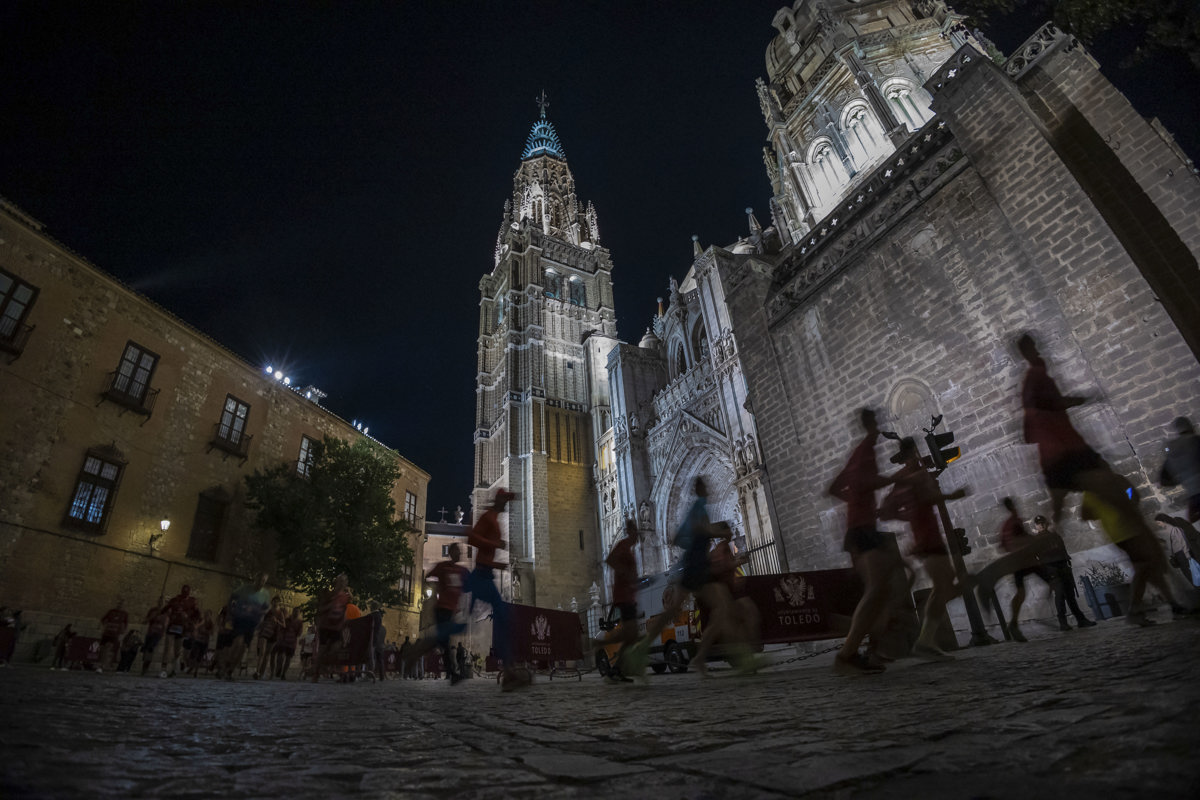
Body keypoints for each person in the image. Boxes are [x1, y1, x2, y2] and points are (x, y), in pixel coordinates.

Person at [1017, 333, 1147, 534]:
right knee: (1105, 474)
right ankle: (1129, 514)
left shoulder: (1033, 381)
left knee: (1059, 505)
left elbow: (1029, 431)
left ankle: (1053, 534)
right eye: (1033, 347)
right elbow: (1053, 404)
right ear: (1027, 351)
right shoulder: (1036, 377)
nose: (1038, 350)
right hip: (1068, 448)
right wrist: (1080, 400)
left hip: (1053, 455)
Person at [626, 478, 751, 679]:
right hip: (695, 567)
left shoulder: (700, 507)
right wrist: (716, 531)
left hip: (697, 566)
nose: (708, 489)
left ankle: (648, 649)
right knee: (720, 608)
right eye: (704, 487)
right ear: (700, 489)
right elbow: (697, 528)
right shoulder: (698, 506)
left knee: (713, 609)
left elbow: (679, 537)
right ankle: (738, 657)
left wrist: (710, 533)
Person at [881, 437, 967, 660]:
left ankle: (926, 640)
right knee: (944, 585)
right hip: (925, 536)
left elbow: (888, 509)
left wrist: (908, 515)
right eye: (915, 450)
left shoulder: (909, 475)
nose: (918, 454)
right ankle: (924, 640)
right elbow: (918, 500)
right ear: (911, 452)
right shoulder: (911, 476)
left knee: (943, 585)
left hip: (928, 534)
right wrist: (950, 496)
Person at [827, 408, 896, 675]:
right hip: (862, 528)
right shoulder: (866, 448)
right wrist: (895, 478)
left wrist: (858, 504)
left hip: (861, 526)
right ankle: (848, 652)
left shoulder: (858, 452)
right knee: (878, 589)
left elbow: (835, 487)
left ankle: (868, 649)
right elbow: (865, 481)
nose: (879, 426)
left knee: (882, 589)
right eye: (876, 422)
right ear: (870, 423)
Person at [1082, 484, 1192, 624]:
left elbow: (1130, 494)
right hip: (1125, 533)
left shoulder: (1101, 485)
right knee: (1144, 567)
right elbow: (1088, 513)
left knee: (1151, 568)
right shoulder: (1096, 487)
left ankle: (1172, 605)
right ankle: (1136, 609)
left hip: (1129, 531)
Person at [466, 489, 525, 690]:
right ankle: (509, 671)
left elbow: (485, 555)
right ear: (498, 501)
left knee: (503, 617)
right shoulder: (488, 517)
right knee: (503, 616)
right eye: (504, 501)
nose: (506, 506)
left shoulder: (495, 516)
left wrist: (499, 565)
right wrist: (495, 543)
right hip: (481, 577)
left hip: (485, 574)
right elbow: (472, 538)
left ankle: (510, 670)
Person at [406, 543, 470, 684]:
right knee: (443, 641)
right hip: (442, 609)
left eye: (460, 551)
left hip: (450, 612)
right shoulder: (443, 567)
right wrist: (435, 590)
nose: (459, 554)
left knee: (442, 642)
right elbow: (428, 576)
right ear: (451, 553)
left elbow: (467, 586)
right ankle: (452, 673)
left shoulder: (461, 570)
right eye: (456, 551)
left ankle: (415, 653)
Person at [596, 519, 643, 683]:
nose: (637, 534)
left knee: (630, 636)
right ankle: (599, 646)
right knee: (631, 635)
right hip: (623, 597)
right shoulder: (623, 545)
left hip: (628, 597)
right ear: (630, 531)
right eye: (635, 530)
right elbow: (609, 560)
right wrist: (625, 574)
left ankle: (616, 670)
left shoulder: (628, 549)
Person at [1032, 515, 1096, 630]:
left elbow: (1062, 550)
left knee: (1070, 594)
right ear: (1036, 526)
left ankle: (1080, 619)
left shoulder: (1054, 536)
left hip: (1063, 566)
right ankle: (1063, 622)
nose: (1041, 525)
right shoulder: (1036, 540)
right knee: (1060, 594)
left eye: (1042, 523)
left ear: (1046, 523)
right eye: (1039, 524)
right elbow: (1034, 557)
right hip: (1051, 569)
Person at [217, 574, 271, 680]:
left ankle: (230, 670)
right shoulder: (245, 589)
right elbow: (232, 597)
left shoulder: (265, 594)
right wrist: (230, 611)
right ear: (256, 579)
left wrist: (261, 614)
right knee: (238, 642)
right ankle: (225, 665)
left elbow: (266, 608)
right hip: (240, 619)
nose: (261, 582)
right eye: (260, 580)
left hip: (252, 623)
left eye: (264, 581)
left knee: (243, 647)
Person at [1159, 416, 1200, 522]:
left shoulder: (1172, 451)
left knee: (1191, 518)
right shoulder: (1196, 441)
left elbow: (1163, 480)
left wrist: (1182, 479)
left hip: (1193, 495)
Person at [312, 573, 351, 683]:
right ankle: (316, 674)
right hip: (326, 625)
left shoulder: (345, 597)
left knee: (336, 649)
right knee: (322, 650)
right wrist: (328, 607)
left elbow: (344, 610)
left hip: (337, 627)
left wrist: (344, 623)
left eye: (344, 581)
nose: (342, 583)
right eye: (340, 581)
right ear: (336, 582)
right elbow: (320, 609)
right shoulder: (329, 594)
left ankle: (327, 666)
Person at [161, 584, 201, 677]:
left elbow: (198, 614)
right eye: (184, 591)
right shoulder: (175, 600)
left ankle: (174, 669)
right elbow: (164, 609)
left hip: (182, 627)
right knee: (167, 647)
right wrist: (167, 616)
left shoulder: (192, 602)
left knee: (177, 650)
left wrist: (190, 620)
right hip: (172, 625)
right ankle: (163, 669)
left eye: (187, 591)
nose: (185, 593)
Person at [1156, 513, 1200, 588]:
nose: (1158, 525)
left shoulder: (1174, 526)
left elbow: (1191, 535)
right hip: (1189, 552)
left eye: (1159, 523)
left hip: (1188, 553)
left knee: (1193, 576)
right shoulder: (1174, 524)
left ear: (1164, 521)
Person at [253, 596, 286, 679]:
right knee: (262, 653)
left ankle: (261, 672)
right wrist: (258, 629)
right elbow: (262, 621)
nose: (275, 603)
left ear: (279, 603)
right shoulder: (268, 611)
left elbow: (283, 625)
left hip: (274, 634)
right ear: (272, 602)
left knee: (267, 655)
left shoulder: (280, 613)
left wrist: (277, 621)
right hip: (264, 633)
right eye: (274, 601)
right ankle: (257, 671)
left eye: (277, 602)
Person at [98, 600, 129, 673]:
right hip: (106, 633)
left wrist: (122, 633)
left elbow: (125, 624)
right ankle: (101, 664)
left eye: (121, 604)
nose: (120, 606)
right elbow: (103, 619)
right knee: (102, 648)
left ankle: (103, 665)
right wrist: (104, 627)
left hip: (115, 634)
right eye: (119, 604)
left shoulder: (124, 614)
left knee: (109, 648)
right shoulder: (111, 611)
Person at [273, 607, 303, 679]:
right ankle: (279, 668)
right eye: (295, 611)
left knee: (288, 658)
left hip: (292, 642)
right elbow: (282, 628)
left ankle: (283, 673)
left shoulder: (300, 623)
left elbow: (299, 633)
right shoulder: (287, 620)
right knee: (280, 656)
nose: (296, 613)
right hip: (283, 640)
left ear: (299, 613)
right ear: (292, 612)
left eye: (297, 612)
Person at [141, 601, 169, 676]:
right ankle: (144, 667)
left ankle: (145, 668)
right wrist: (152, 617)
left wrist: (163, 633)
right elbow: (146, 620)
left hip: (158, 634)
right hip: (150, 632)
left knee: (150, 648)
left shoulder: (166, 613)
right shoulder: (153, 611)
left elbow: (166, 624)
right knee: (146, 650)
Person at [188, 609, 214, 676]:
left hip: (204, 641)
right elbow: (196, 627)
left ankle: (195, 671)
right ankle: (192, 667)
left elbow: (211, 632)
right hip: (198, 640)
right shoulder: (201, 621)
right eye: (206, 614)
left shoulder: (210, 623)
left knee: (200, 656)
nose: (206, 616)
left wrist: (205, 631)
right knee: (193, 654)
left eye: (208, 615)